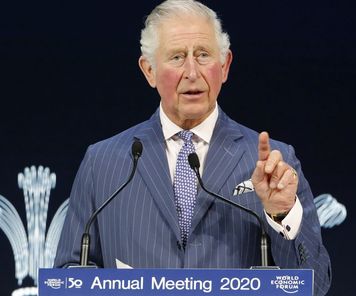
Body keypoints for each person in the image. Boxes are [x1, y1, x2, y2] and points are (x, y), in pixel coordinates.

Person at [54, 0, 331, 294]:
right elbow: (68, 275)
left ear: (224, 66)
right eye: (176, 57)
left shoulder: (274, 162)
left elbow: (315, 285)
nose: (192, 71)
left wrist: (283, 214)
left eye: (203, 55)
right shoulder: (103, 162)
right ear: (149, 70)